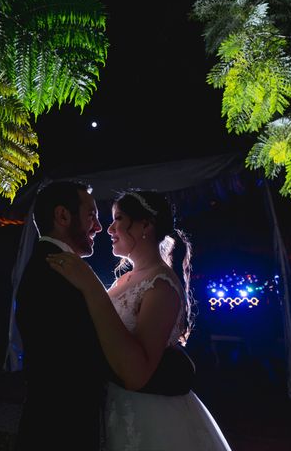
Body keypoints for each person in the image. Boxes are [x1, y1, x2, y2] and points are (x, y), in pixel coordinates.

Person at [13, 181, 196, 451]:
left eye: (116, 219)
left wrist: (175, 367)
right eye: (93, 216)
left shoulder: (156, 285)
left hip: (140, 419)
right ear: (63, 216)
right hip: (61, 427)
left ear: (145, 226)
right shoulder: (57, 273)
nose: (103, 228)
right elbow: (84, 353)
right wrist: (176, 370)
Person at [47, 189, 233, 451]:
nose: (109, 229)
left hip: (150, 415)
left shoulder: (162, 286)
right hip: (114, 405)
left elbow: (138, 374)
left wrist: (91, 287)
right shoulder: (125, 279)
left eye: (118, 218)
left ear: (145, 225)